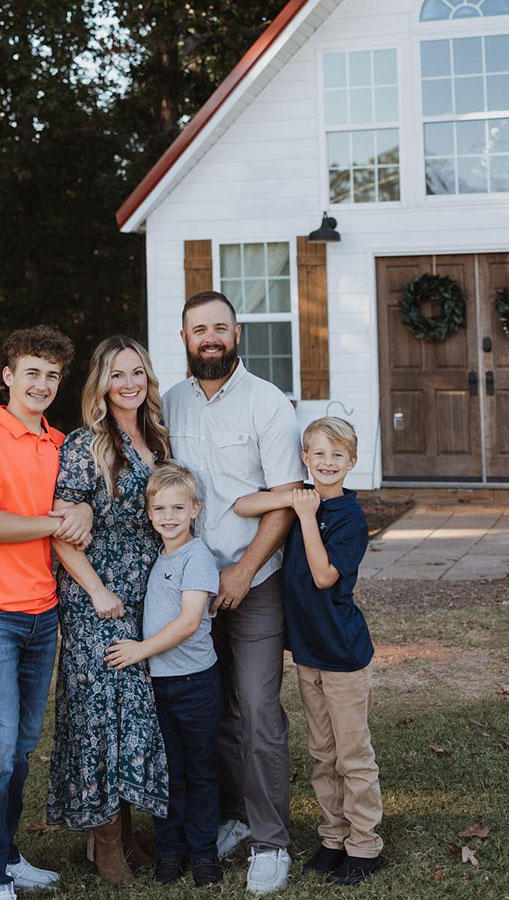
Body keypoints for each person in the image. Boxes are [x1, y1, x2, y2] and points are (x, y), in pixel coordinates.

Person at [161, 291, 305, 895]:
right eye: (200, 330)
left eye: (221, 328)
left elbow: (287, 496)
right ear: (186, 338)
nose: (210, 338)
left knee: (257, 709)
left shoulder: (267, 404)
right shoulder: (169, 403)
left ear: (237, 334)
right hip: (191, 585)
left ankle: (272, 841)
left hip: (254, 581)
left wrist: (244, 571)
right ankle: (231, 817)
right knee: (210, 708)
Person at [0, 325, 93, 900]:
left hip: (43, 612)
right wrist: (60, 520)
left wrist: (80, 504)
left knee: (21, 747)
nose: (41, 383)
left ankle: (7, 859)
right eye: (30, 372)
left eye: (51, 375)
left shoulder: (59, 443)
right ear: (8, 376)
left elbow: (73, 501)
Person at [234, 417, 383, 886]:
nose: (327, 463)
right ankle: (333, 837)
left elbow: (323, 575)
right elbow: (242, 504)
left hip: (342, 653)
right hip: (308, 654)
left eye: (337, 456)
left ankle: (365, 844)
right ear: (305, 458)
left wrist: (302, 515)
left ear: (352, 463)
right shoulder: (303, 497)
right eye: (318, 454)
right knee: (322, 753)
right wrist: (291, 499)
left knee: (352, 754)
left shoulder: (349, 518)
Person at [46, 335, 170, 886]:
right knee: (102, 717)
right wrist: (98, 592)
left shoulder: (157, 441)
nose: (128, 384)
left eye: (137, 372)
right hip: (98, 598)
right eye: (117, 374)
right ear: (101, 382)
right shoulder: (84, 443)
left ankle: (122, 832)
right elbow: (62, 532)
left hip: (149, 595)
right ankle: (106, 843)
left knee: (135, 717)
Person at [104, 462, 223, 887]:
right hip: (160, 687)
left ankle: (205, 855)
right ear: (149, 513)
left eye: (178, 507)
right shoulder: (157, 556)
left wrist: (140, 651)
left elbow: (190, 621)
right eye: (159, 509)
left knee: (201, 772)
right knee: (168, 773)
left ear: (196, 509)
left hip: (195, 683)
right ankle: (170, 853)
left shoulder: (198, 557)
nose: (168, 517)